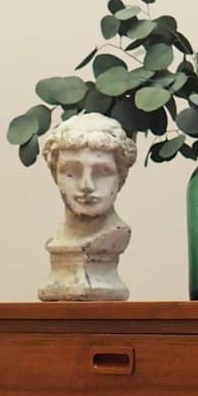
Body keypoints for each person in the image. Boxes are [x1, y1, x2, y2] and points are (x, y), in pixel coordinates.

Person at [38, 113, 134, 301]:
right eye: (72, 172)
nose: (86, 185)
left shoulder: (116, 234)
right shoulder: (59, 239)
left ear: (121, 178)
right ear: (55, 175)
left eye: (101, 172)